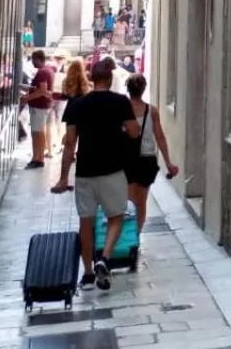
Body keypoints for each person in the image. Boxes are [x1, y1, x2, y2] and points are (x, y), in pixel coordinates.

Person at [51, 56, 139, 290]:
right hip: (112, 169)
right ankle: (105, 257)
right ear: (109, 80)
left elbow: (70, 144)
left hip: (85, 173)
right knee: (116, 217)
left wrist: (62, 178)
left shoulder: (78, 105)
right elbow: (133, 132)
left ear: (92, 78)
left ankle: (88, 272)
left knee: (86, 222)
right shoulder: (120, 102)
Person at [124, 73, 178, 233]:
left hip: (126, 160)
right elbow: (160, 137)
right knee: (141, 203)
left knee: (128, 200)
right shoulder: (152, 111)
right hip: (147, 160)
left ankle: (128, 237)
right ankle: (137, 236)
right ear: (143, 89)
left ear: (128, 90)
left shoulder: (122, 109)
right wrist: (168, 162)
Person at [22, 49, 56, 169]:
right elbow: (43, 89)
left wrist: (28, 98)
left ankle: (38, 158)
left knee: (37, 132)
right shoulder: (49, 70)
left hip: (39, 107)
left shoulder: (42, 72)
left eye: (33, 60)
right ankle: (38, 157)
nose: (32, 62)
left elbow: (42, 90)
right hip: (43, 106)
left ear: (37, 59)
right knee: (39, 132)